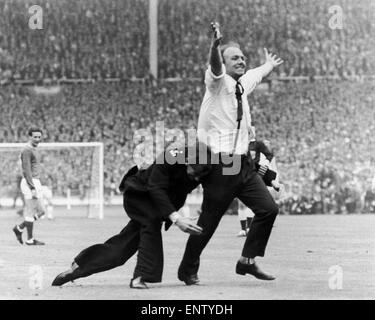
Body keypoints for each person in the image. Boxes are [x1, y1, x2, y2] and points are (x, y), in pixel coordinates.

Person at [178, 22, 284, 285]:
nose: (241, 60)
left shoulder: (241, 85)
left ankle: (247, 261)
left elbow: (256, 74)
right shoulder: (217, 83)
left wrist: (268, 65)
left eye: (242, 57)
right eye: (234, 57)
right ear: (224, 62)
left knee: (268, 209)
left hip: (243, 165)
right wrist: (214, 47)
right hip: (221, 164)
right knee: (208, 223)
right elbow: (215, 67)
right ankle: (187, 269)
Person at [52, 143, 210, 289]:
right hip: (139, 195)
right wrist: (176, 218)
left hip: (157, 204)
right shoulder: (169, 158)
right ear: (186, 160)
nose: (196, 179)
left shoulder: (210, 162)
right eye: (193, 173)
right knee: (151, 222)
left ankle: (79, 266)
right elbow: (155, 188)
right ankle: (141, 277)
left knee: (121, 251)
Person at [12, 128, 46, 245]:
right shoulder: (27, 150)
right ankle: (30, 239)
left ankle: (20, 228)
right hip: (30, 183)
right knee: (30, 212)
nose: (37, 139)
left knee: (42, 211)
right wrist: (32, 187)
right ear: (29, 137)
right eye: (35, 137)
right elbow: (26, 170)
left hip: (35, 182)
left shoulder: (33, 149)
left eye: (39, 137)